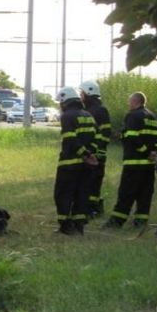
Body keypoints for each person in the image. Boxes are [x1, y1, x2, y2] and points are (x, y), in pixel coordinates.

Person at [106, 91, 157, 229]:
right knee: (145, 195)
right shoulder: (153, 117)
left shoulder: (133, 116)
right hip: (149, 165)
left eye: (129, 101)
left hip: (134, 164)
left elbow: (132, 137)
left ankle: (115, 223)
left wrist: (146, 151)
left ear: (135, 102)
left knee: (126, 193)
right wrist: (155, 152)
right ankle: (140, 222)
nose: (128, 103)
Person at [54, 86, 98, 235]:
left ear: (64, 101)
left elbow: (70, 139)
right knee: (81, 194)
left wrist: (84, 154)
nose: (60, 106)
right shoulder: (88, 115)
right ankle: (79, 226)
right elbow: (95, 138)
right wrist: (90, 154)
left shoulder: (67, 116)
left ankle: (66, 226)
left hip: (69, 164)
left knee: (63, 194)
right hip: (86, 165)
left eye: (60, 102)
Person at [79, 79, 111, 218]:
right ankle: (89, 208)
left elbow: (105, 133)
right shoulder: (86, 110)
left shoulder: (100, 110)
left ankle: (93, 209)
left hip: (96, 154)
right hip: (88, 153)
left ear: (88, 93)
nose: (80, 96)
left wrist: (96, 151)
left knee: (94, 183)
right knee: (87, 182)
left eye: (82, 93)